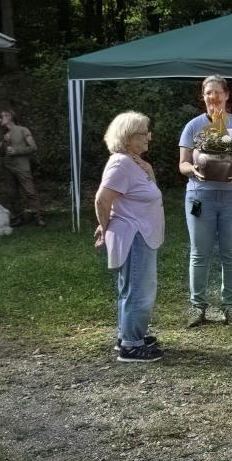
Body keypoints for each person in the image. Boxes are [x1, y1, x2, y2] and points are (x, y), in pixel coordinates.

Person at [178, 75, 232, 327]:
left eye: (217, 92)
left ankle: (229, 307)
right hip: (200, 195)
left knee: (231, 253)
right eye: (208, 93)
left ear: (226, 95)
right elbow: (183, 164)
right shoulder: (193, 126)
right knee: (199, 253)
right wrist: (193, 170)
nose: (213, 97)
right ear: (203, 97)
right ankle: (197, 307)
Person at [95, 111, 165, 363]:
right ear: (126, 137)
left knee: (133, 288)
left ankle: (128, 335)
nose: (149, 137)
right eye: (143, 133)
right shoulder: (121, 163)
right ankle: (131, 345)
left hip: (140, 233)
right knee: (139, 290)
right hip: (134, 234)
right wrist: (104, 227)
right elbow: (102, 200)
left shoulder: (133, 162)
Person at [0, 108, 45, 227]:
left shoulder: (23, 130)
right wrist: (3, 142)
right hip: (8, 168)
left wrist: (17, 151)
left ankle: (37, 217)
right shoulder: (3, 134)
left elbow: (33, 147)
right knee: (12, 194)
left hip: (22, 167)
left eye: (2, 117)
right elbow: (0, 153)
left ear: (9, 117)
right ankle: (19, 217)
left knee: (30, 192)